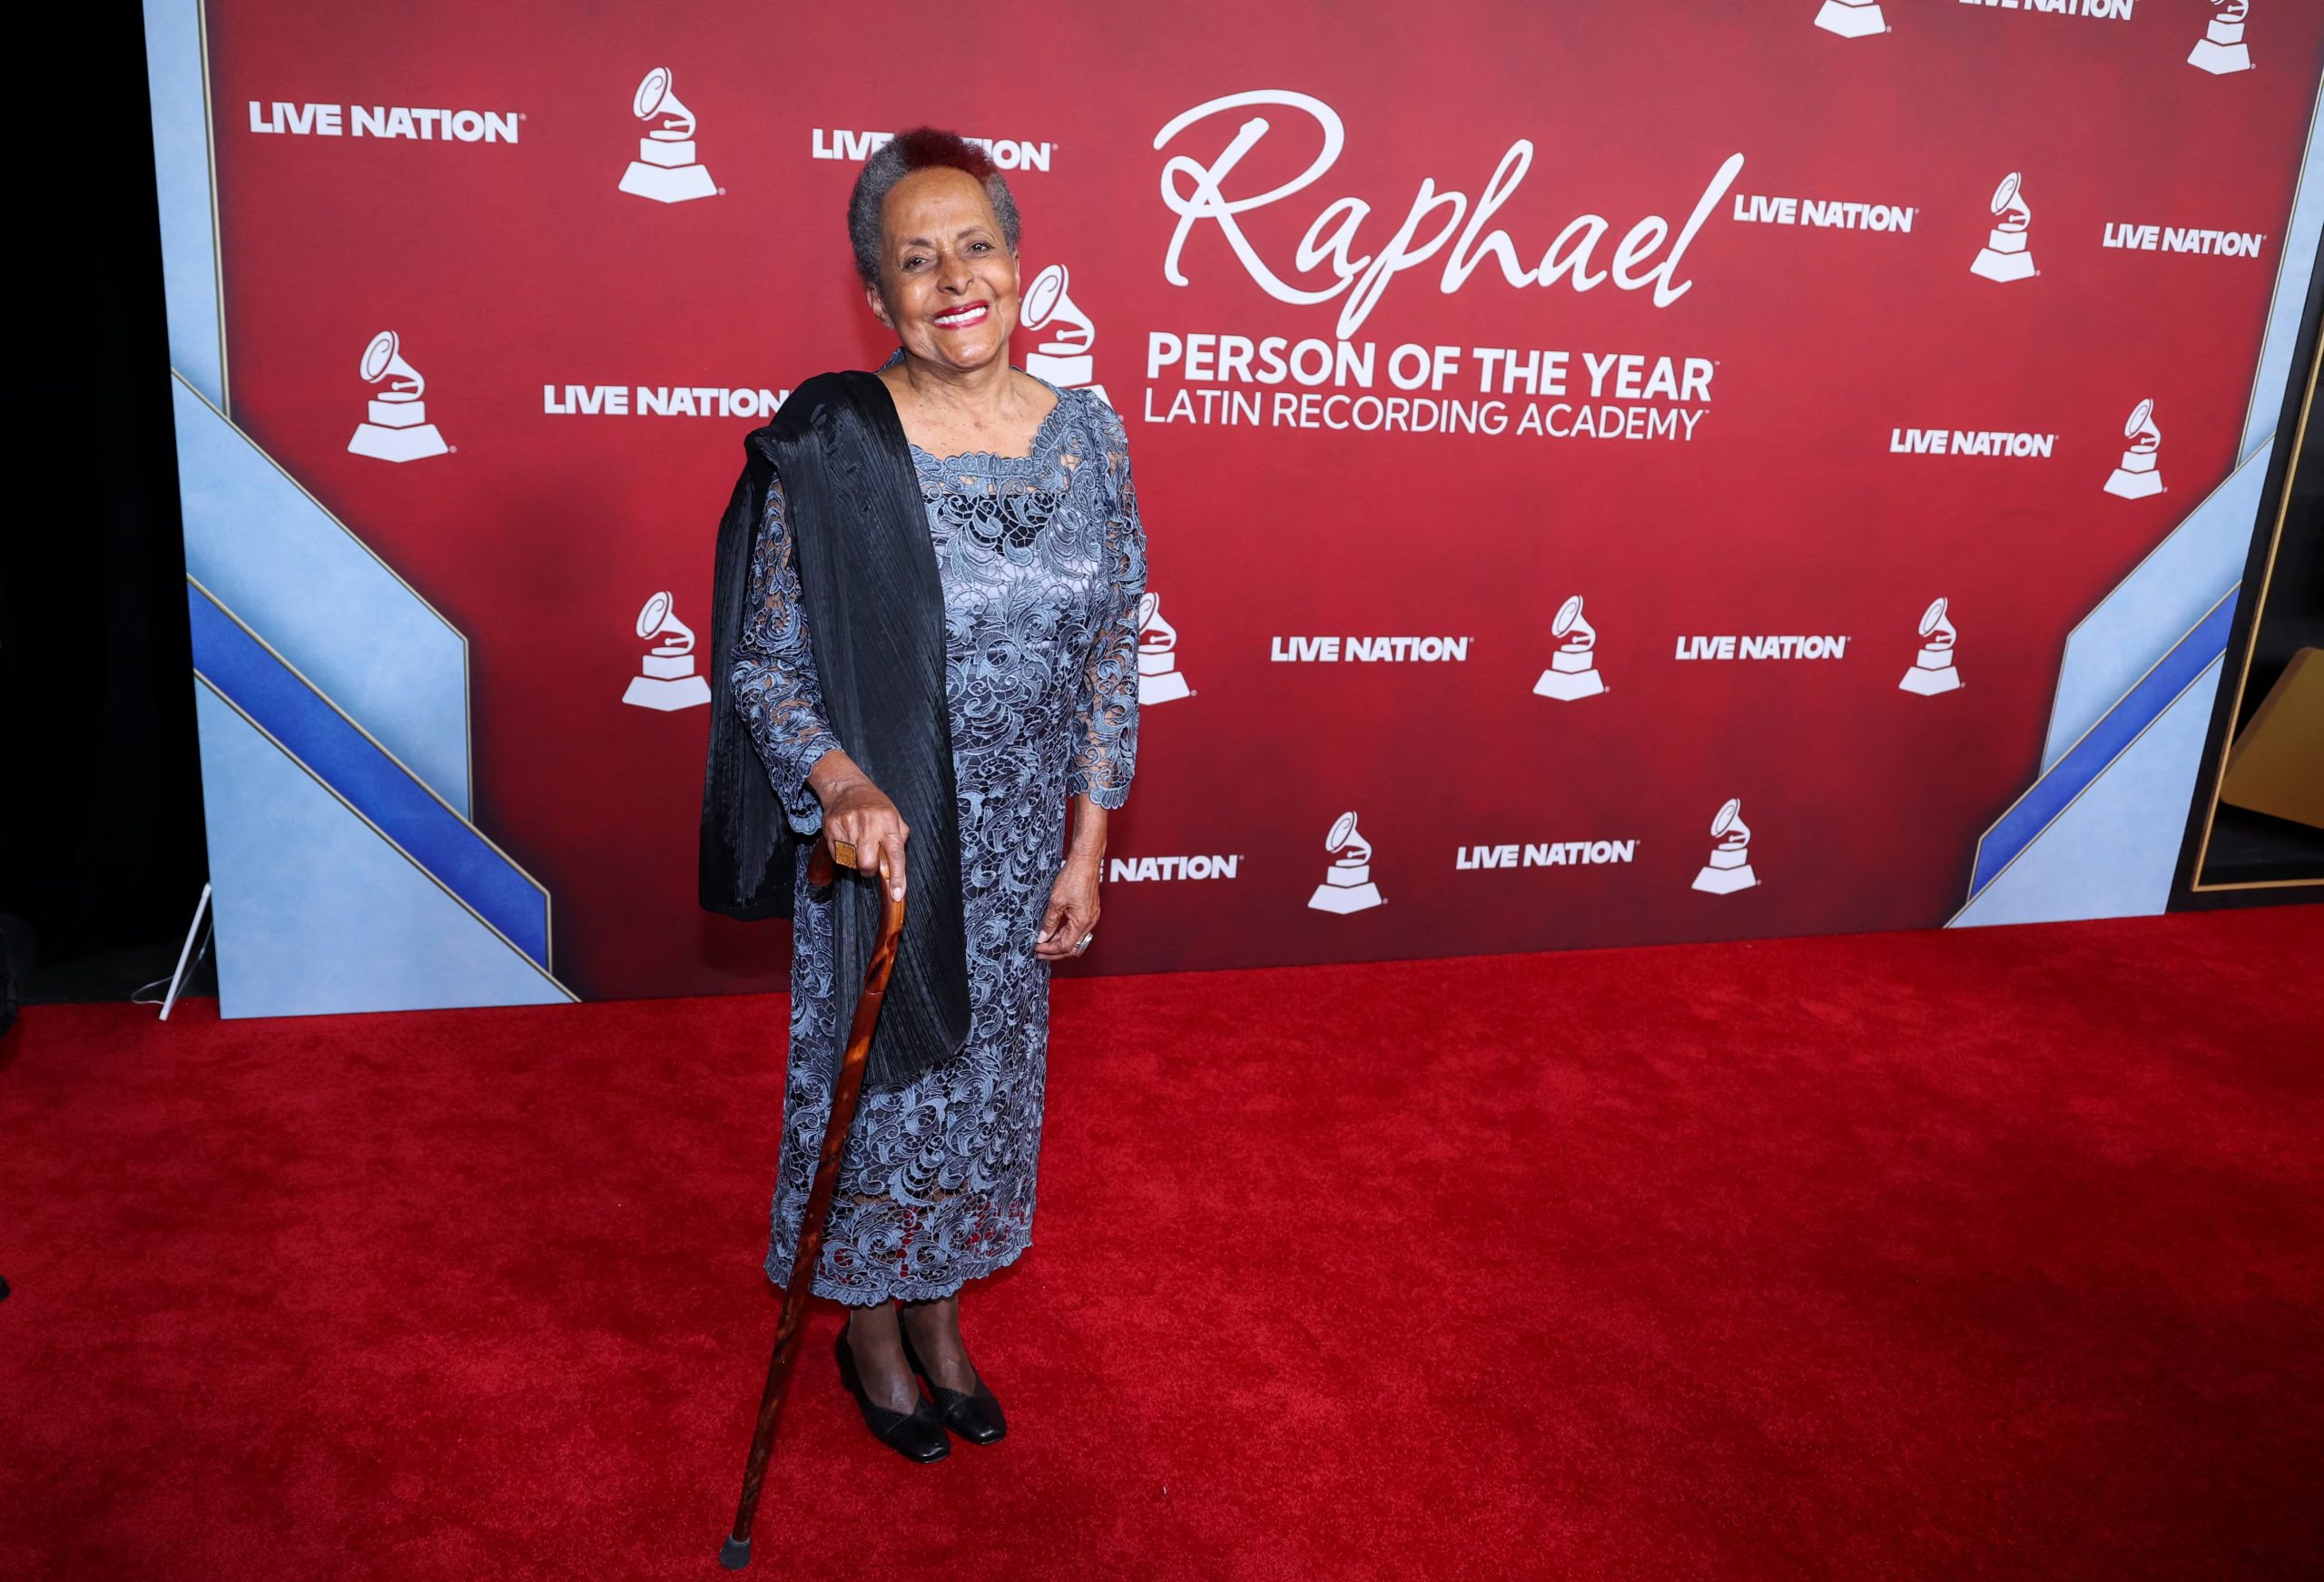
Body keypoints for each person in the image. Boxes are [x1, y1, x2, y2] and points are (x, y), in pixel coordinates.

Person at [725, 127, 1146, 1461]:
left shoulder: (1088, 432)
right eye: (917, 259)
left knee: (990, 1094)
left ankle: (942, 1308)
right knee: (891, 1096)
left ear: (1021, 264)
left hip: (1029, 847)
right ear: (876, 293)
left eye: (976, 245)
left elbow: (1112, 647)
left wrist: (1088, 845)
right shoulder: (839, 442)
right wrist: (839, 780)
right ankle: (868, 1327)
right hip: (895, 848)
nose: (954, 277)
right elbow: (766, 659)